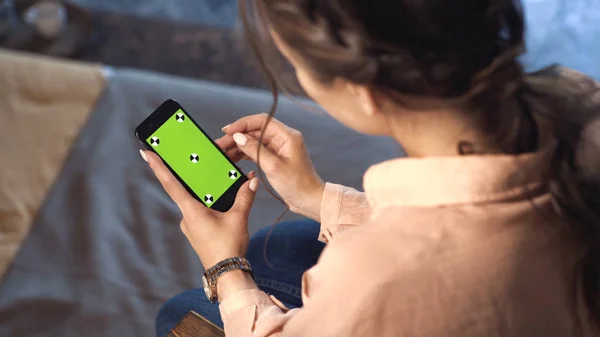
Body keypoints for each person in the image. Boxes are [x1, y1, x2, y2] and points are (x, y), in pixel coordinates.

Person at [147, 0, 600, 335]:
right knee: (285, 243)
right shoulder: (578, 104)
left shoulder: (376, 274)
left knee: (182, 313)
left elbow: (398, 269)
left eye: (298, 65)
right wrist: (314, 196)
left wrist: (223, 266)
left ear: (364, 90)